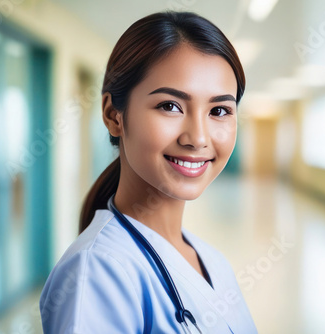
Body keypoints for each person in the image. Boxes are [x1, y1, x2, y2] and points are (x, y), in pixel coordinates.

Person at [39, 11, 257, 333]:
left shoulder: (212, 261)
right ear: (114, 115)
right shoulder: (97, 274)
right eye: (170, 106)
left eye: (219, 110)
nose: (197, 138)